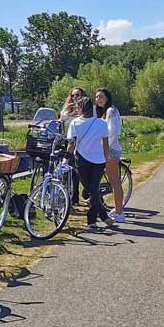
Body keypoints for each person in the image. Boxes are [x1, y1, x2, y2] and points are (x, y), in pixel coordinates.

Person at [66, 95, 111, 230]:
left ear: (80, 108)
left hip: (82, 159)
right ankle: (103, 215)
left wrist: (66, 157)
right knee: (93, 189)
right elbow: (105, 144)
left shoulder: (74, 123)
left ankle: (92, 220)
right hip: (99, 160)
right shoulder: (102, 124)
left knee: (92, 190)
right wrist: (107, 159)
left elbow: (71, 143)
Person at [95, 88, 125, 222]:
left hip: (110, 150)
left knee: (114, 181)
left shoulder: (111, 111)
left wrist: (104, 150)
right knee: (113, 181)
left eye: (101, 97)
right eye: (96, 97)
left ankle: (119, 213)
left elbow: (112, 133)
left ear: (107, 98)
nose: (98, 99)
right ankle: (117, 210)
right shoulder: (105, 111)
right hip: (108, 149)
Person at [60, 87, 88, 203]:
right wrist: (67, 109)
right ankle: (74, 196)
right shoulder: (68, 107)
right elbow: (62, 119)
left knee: (81, 169)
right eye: (73, 95)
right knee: (71, 170)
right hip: (69, 141)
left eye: (77, 95)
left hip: (83, 141)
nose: (75, 97)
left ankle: (90, 192)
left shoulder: (86, 107)